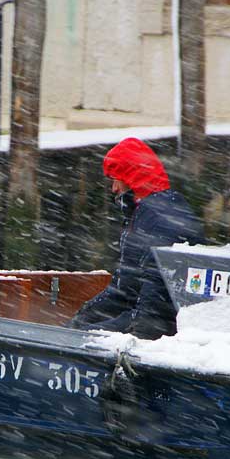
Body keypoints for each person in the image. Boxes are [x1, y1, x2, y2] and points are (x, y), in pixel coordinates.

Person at [70, 137, 204, 339]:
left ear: (131, 177)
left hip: (162, 323)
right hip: (147, 314)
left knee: (81, 336)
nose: (113, 188)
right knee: (74, 330)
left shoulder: (157, 218)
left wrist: (136, 335)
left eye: (116, 179)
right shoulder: (146, 211)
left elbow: (156, 304)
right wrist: (80, 319)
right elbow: (124, 289)